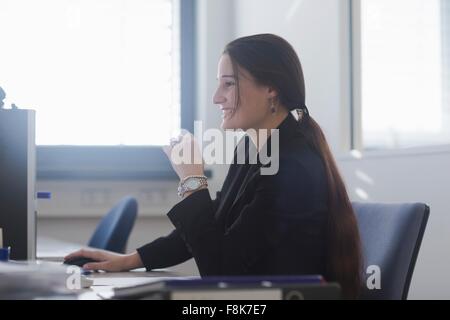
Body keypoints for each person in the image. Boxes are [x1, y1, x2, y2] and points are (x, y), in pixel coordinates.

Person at [65, 34, 362, 298]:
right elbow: (217, 224)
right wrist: (132, 259)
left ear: (271, 89)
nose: (216, 97)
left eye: (228, 84)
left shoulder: (292, 168)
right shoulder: (253, 148)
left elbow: (221, 272)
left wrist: (193, 180)